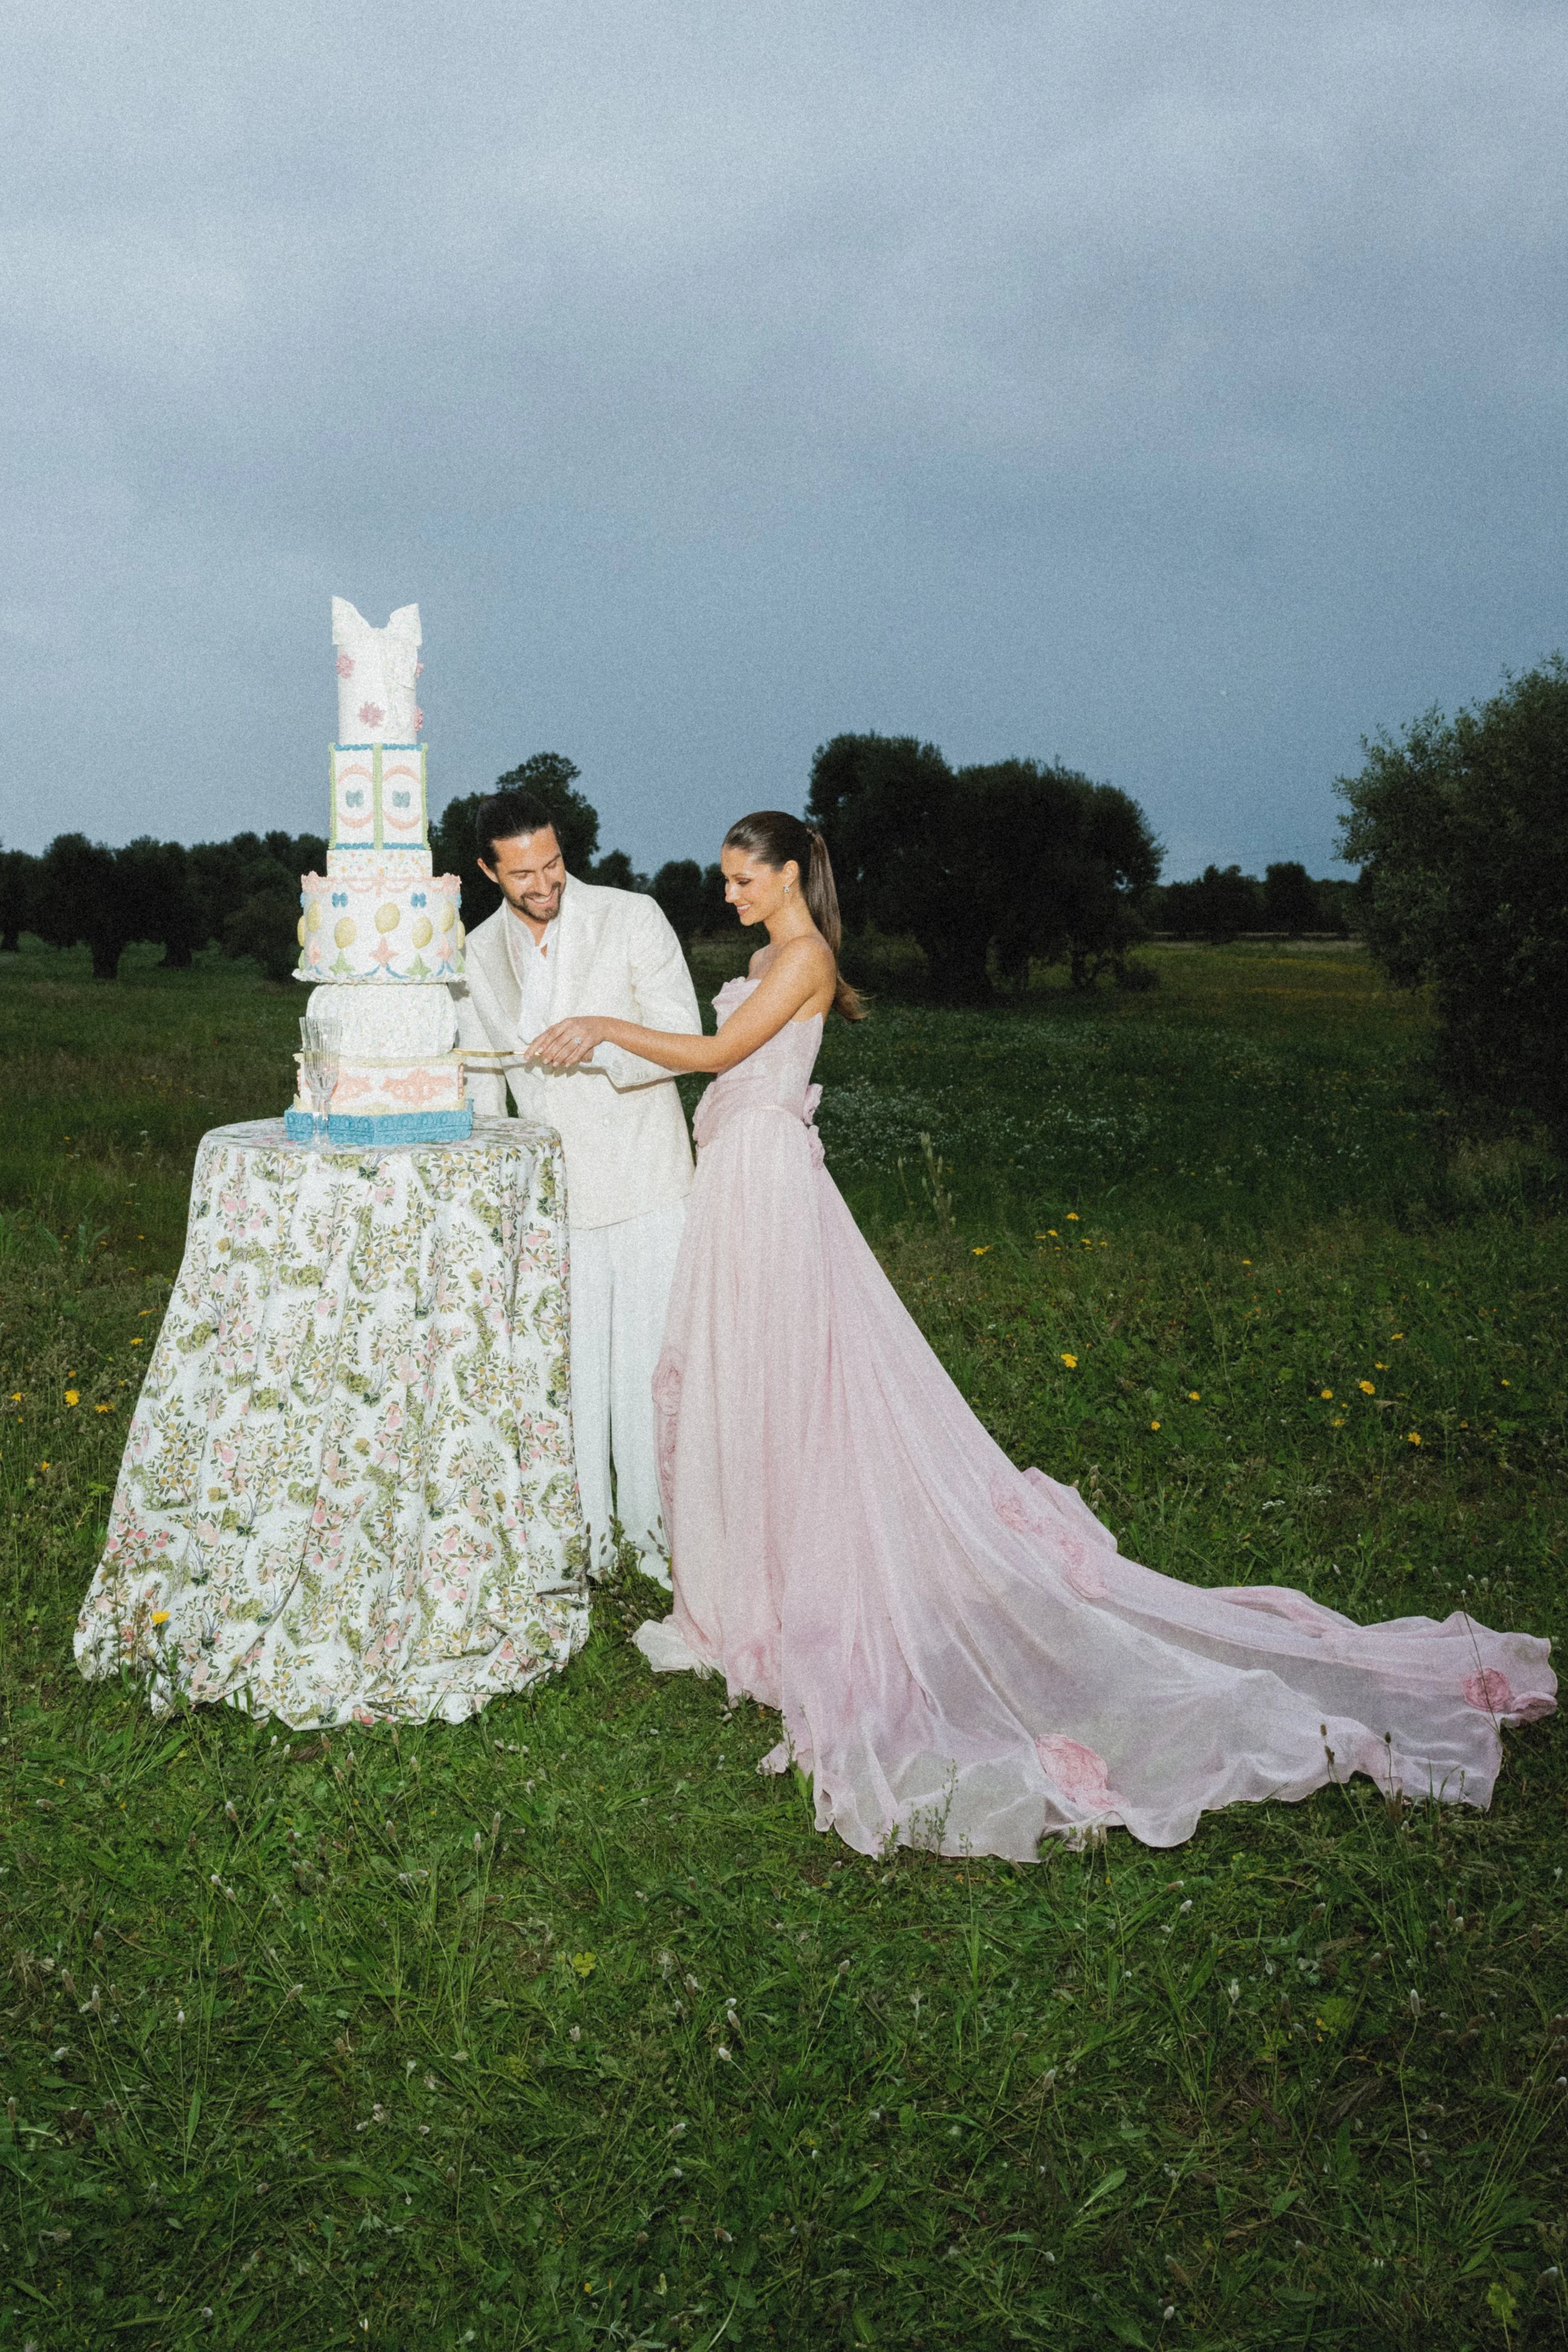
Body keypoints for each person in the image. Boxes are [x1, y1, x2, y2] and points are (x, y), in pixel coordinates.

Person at [527, 810, 1557, 1860]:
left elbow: (715, 1053)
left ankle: (818, 1585)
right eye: (729, 880)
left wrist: (604, 1026)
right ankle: (759, 1582)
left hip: (770, 1185)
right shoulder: (760, 950)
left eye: (746, 878)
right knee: (746, 1385)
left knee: (800, 1382)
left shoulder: (806, 957)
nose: (733, 895)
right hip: (738, 1179)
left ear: (793, 872)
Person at [452, 789, 701, 1584]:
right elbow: (483, 1085)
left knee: (651, 1374)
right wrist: (490, 1185)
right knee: (568, 1377)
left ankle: (660, 1543)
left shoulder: (632, 917)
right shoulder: (473, 952)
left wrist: (598, 1036)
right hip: (552, 1197)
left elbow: (685, 1043)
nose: (545, 882)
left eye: (553, 862)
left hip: (649, 1178)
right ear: (490, 870)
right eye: (523, 871)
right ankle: (586, 1544)